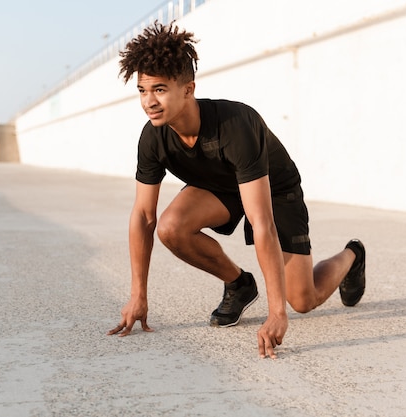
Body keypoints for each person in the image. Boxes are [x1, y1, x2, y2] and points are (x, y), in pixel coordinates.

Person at [107, 22, 366, 359]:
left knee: (303, 299)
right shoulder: (153, 137)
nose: (148, 101)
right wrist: (138, 294)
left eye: (159, 89)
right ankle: (239, 284)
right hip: (220, 186)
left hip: (274, 188)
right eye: (142, 90)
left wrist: (277, 313)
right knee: (171, 228)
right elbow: (143, 216)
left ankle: (353, 256)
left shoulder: (236, 125)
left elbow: (262, 223)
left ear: (188, 89)